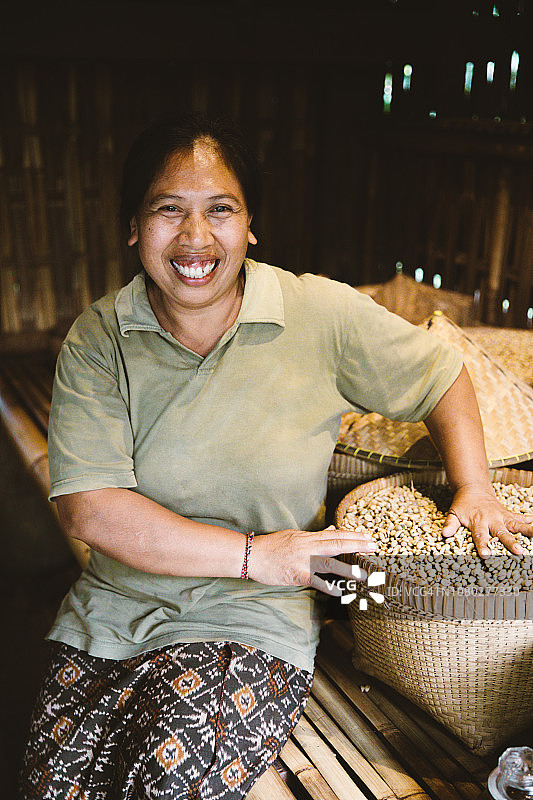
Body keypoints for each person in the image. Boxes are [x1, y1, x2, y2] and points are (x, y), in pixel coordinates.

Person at [20, 113, 533, 800]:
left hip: (250, 620)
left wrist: (473, 488)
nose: (195, 237)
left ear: (250, 224)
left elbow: (442, 375)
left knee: (170, 782)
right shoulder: (100, 337)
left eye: (220, 211)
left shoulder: (314, 312)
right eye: (168, 210)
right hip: (113, 612)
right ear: (133, 226)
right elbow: (92, 511)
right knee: (55, 784)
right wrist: (259, 551)